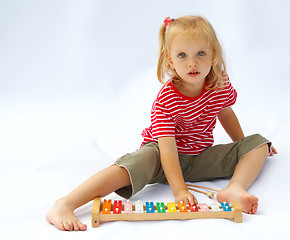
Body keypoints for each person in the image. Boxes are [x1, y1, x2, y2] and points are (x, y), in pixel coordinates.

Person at [46, 15, 277, 231]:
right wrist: (179, 192)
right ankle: (66, 203)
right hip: (160, 157)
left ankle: (235, 188)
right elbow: (167, 151)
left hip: (198, 157)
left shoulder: (219, 84)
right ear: (170, 60)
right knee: (136, 162)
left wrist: (243, 148)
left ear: (214, 55)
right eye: (182, 56)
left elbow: (225, 114)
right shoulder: (167, 99)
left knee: (258, 143)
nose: (192, 63)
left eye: (201, 54)